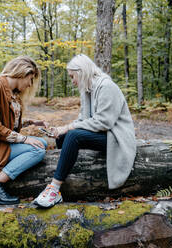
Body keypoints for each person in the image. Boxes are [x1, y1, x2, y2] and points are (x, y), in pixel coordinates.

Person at [33, 54, 136, 208]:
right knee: (63, 137)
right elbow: (82, 120)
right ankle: (69, 172)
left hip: (116, 136)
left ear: (81, 72)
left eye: (72, 76)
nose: (72, 81)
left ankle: (54, 188)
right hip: (103, 133)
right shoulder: (87, 89)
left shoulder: (106, 86)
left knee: (73, 135)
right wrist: (61, 129)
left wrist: (68, 128)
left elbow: (104, 122)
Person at [0, 56, 47, 205]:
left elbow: (9, 122)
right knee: (38, 150)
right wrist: (25, 139)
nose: (30, 84)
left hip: (2, 143)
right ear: (22, 73)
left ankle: (0, 177)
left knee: (42, 143)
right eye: (30, 79)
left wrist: (32, 122)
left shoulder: (14, 94)